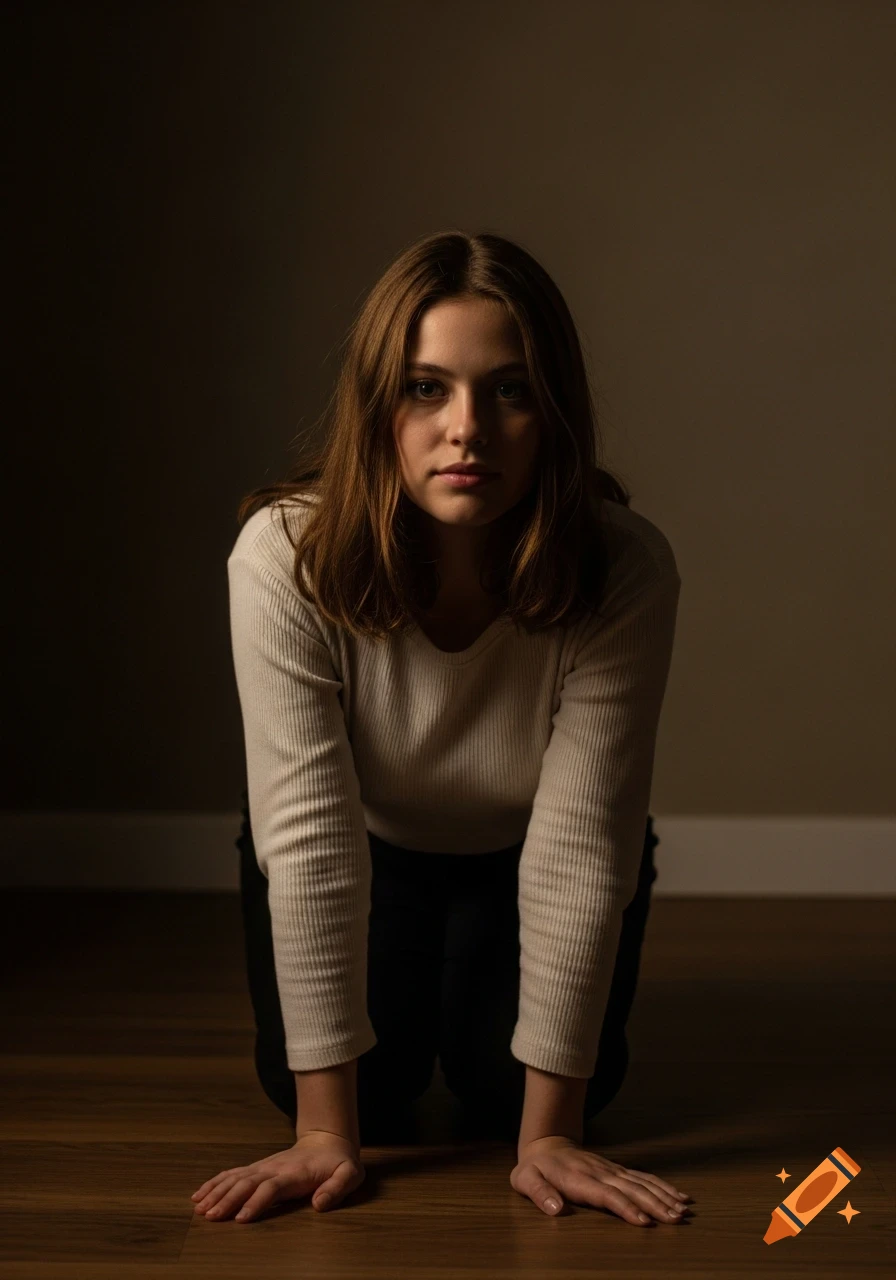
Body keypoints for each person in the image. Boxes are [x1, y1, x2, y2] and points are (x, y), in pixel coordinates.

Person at [191, 229, 690, 1228]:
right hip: (367, 848)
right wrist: (324, 1134)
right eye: (425, 388)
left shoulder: (622, 567)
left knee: (516, 1098)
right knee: (356, 1105)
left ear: (550, 412)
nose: (466, 428)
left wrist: (548, 1133)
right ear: (377, 406)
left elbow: (582, 845)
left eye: (506, 390)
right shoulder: (281, 557)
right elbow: (309, 840)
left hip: (523, 851)